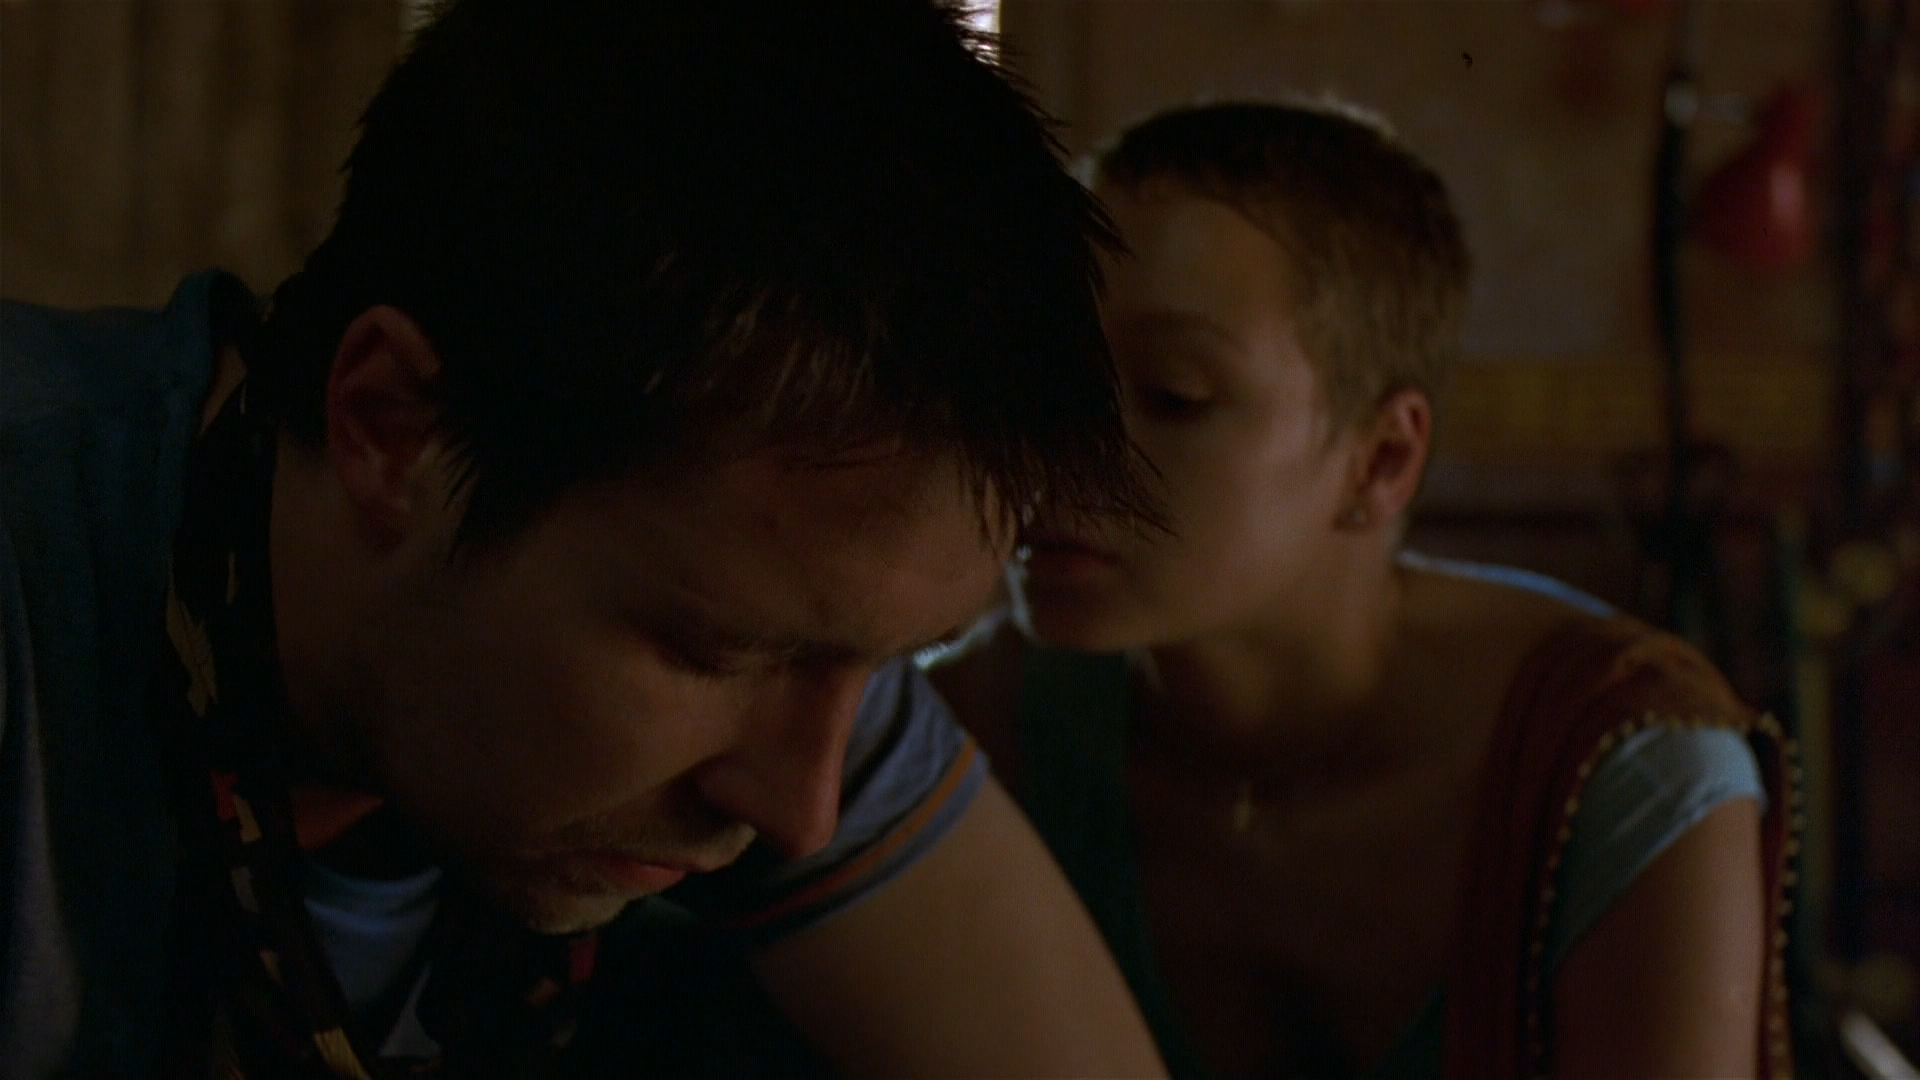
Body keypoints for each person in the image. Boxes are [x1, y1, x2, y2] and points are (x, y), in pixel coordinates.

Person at [0, 1, 1170, 1075]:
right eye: (709, 654)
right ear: (391, 428)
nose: (803, 808)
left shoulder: (789, 635)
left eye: (895, 662)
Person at [931, 100, 1797, 1080]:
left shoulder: (1617, 766)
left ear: (1382, 459)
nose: (1055, 448)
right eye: (1047, 379)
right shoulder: (969, 735)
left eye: (1174, 394)